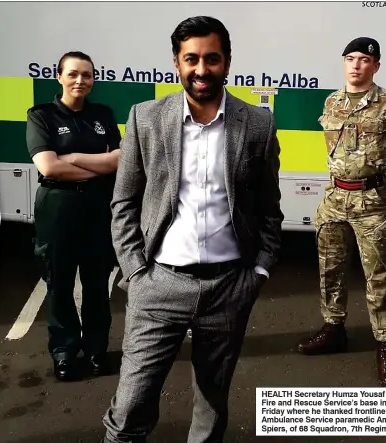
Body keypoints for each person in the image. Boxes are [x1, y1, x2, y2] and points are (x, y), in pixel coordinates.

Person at [101, 16, 283, 443]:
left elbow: (268, 209)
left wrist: (258, 272)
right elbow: (123, 202)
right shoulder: (145, 118)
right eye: (192, 59)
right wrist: (135, 273)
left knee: (211, 405)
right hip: (159, 283)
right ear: (176, 63)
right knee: (130, 407)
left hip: (228, 287)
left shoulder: (257, 124)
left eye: (212, 59)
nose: (202, 69)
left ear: (227, 62)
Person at [296, 37, 386, 387]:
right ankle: (334, 328)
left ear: (375, 66)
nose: (356, 65)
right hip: (334, 199)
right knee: (330, 269)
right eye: (350, 58)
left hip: (372, 203)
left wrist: (382, 189)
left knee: (379, 277)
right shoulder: (332, 101)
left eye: (364, 59)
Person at [26, 51, 121, 381]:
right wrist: (98, 166)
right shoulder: (42, 116)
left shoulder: (103, 114)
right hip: (57, 209)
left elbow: (119, 161)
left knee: (97, 284)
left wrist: (76, 158)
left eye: (87, 75)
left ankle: (96, 350)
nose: (81, 80)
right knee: (59, 283)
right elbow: (49, 166)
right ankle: (64, 352)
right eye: (74, 74)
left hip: (98, 210)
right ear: (60, 77)